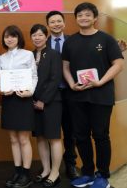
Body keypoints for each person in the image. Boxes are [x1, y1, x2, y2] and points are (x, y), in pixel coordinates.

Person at [62, 2, 124, 188]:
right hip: (77, 96)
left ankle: (102, 175)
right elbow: (65, 67)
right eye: (80, 15)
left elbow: (118, 64)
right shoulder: (70, 41)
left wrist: (100, 81)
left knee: (101, 136)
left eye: (88, 15)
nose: (83, 18)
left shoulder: (106, 39)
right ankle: (87, 172)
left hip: (101, 95)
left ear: (95, 18)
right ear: (76, 18)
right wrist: (72, 84)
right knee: (80, 135)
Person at [0, 25, 38, 188]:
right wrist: (2, 89)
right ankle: (17, 171)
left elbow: (34, 76)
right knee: (13, 138)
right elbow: (1, 78)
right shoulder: (2, 57)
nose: (10, 39)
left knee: (23, 138)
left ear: (18, 38)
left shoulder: (28, 54)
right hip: (9, 100)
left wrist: (30, 92)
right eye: (7, 37)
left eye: (13, 36)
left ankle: (26, 174)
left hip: (23, 100)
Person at [45, 10, 80, 180]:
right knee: (51, 132)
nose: (56, 24)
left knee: (70, 130)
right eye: (52, 22)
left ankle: (71, 164)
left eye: (59, 21)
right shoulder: (42, 44)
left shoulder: (73, 42)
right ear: (48, 25)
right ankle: (53, 168)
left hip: (70, 92)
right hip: (51, 95)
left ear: (64, 23)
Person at [30, 24, 63, 188]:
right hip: (33, 103)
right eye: (34, 35)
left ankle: (55, 172)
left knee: (54, 137)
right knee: (41, 137)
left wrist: (43, 100)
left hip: (51, 103)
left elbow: (55, 79)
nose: (37, 38)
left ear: (46, 36)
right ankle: (46, 169)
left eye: (40, 35)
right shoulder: (30, 55)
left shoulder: (53, 54)